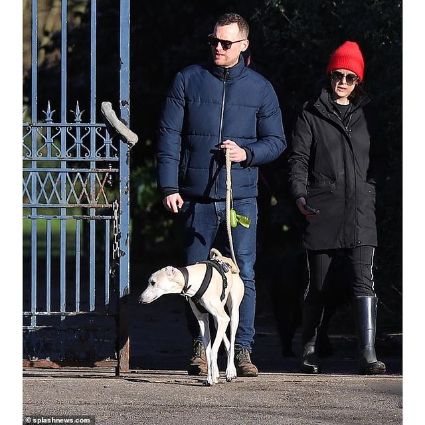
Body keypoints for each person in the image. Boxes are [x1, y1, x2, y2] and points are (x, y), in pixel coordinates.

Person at [157, 13, 286, 377]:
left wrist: (247, 154)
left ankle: (242, 349)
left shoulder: (261, 89)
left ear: (243, 45)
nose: (217, 47)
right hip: (195, 198)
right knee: (193, 277)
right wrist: (169, 186)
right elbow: (169, 136)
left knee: (243, 274)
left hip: (240, 198)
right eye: (213, 40)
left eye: (225, 43)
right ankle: (200, 346)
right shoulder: (188, 79)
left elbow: (277, 141)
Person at [288, 41, 386, 375]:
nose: (342, 82)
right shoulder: (310, 112)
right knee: (319, 284)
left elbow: (381, 158)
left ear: (359, 82)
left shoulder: (368, 115)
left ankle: (368, 353)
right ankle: (310, 346)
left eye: (350, 77)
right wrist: (300, 194)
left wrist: (370, 189)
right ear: (329, 76)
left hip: (360, 210)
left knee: (364, 282)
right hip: (322, 208)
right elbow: (299, 158)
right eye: (337, 75)